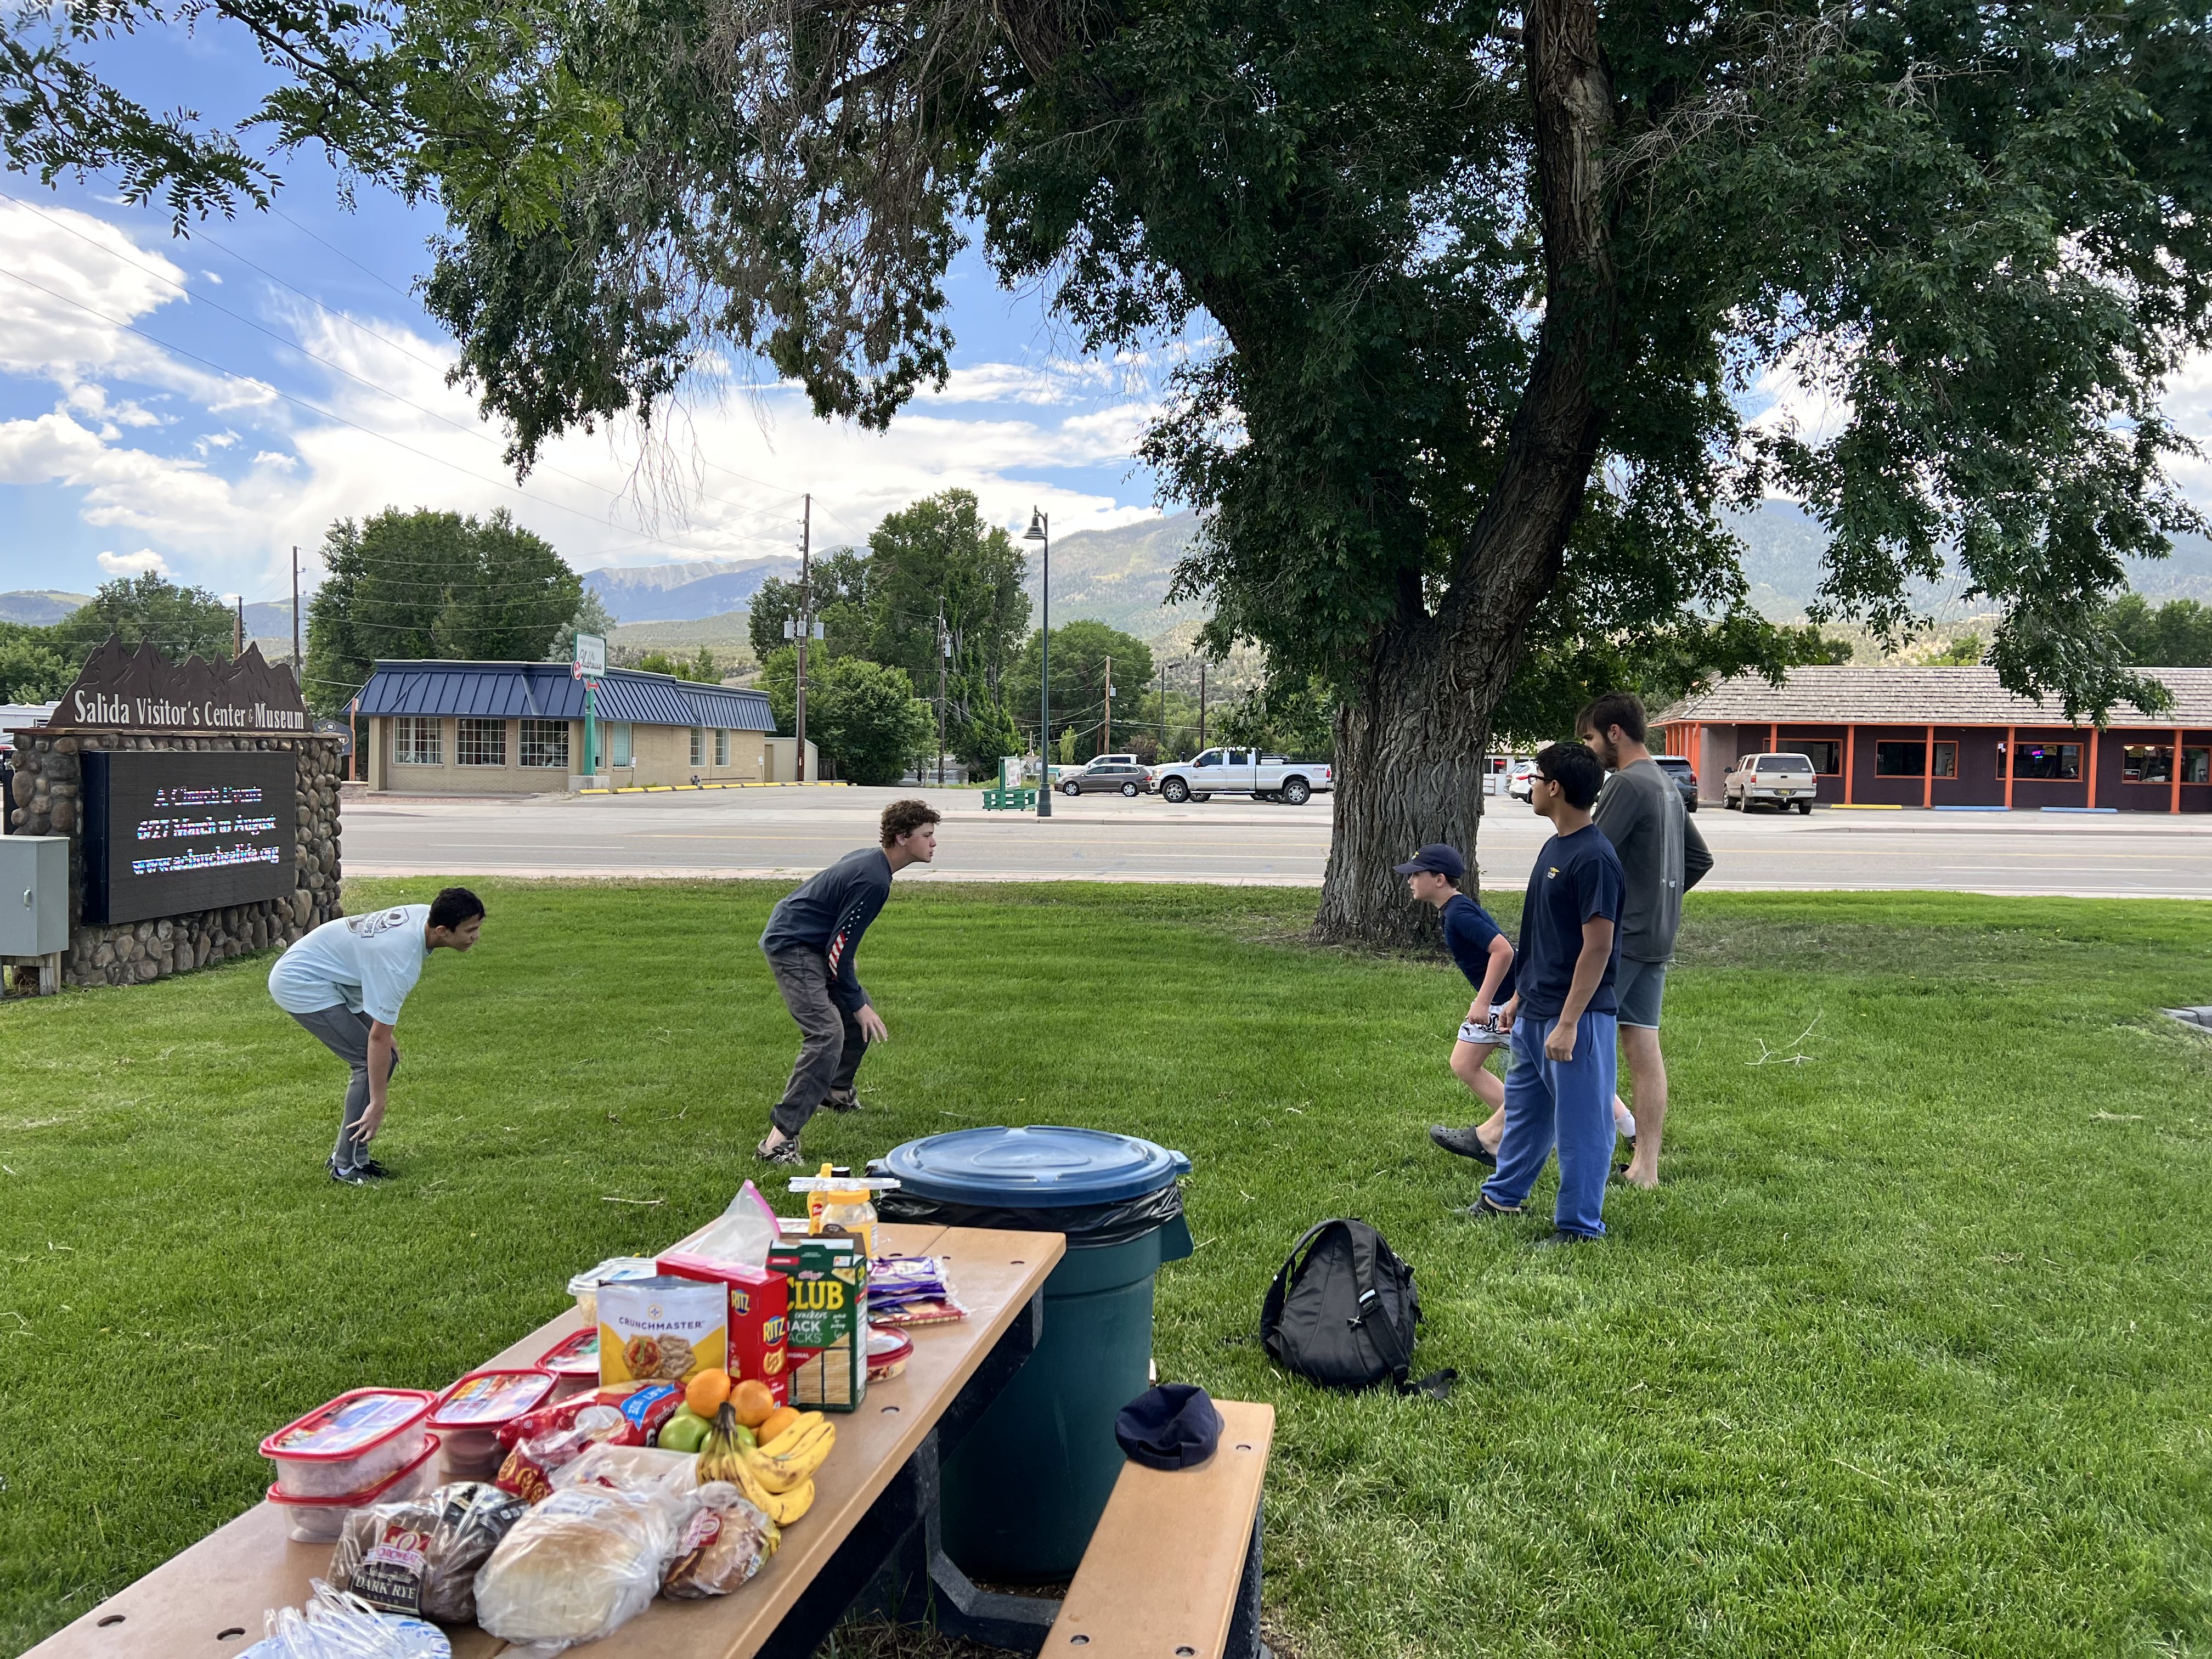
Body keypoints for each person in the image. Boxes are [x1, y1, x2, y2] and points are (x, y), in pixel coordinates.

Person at [1475, 742, 1624, 1244]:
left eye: (1536, 778)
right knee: (1525, 1115)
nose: (1532, 786)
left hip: (1575, 1020)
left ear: (1555, 788)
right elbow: (1543, 936)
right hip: (1536, 1010)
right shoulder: (1555, 846)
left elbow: (1598, 947)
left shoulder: (1595, 858)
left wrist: (1568, 1022)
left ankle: (1580, 1226)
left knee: (1583, 1127)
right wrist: (1519, 997)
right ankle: (1502, 1197)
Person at [756, 798, 940, 1165]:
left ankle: (836, 1093)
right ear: (902, 838)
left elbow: (840, 936)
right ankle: (777, 1142)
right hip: (793, 945)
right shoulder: (874, 879)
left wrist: (851, 986)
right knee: (827, 1034)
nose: (934, 843)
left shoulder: (872, 862)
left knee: (858, 1021)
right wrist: (856, 1001)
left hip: (813, 942)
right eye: (927, 835)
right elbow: (838, 954)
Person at [1578, 691, 1713, 1188]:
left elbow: (1588, 856)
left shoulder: (1627, 784)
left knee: (1567, 1034)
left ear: (1614, 732)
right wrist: (1659, 901)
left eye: (1590, 737)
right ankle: (1645, 1168)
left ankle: (1497, 1136)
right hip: (1656, 936)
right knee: (1642, 1045)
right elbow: (1699, 860)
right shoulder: (1666, 784)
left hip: (1623, 939)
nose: (1589, 748)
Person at [268, 887, 486, 1184]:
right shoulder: (400, 963)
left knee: (387, 1059)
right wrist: (378, 1104)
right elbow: (378, 1039)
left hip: (335, 975)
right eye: (470, 930)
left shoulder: (427, 915)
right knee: (364, 1061)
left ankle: (356, 1157)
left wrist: (382, 1041)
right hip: (301, 980)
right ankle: (344, 1166)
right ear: (442, 931)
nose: (476, 936)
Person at [1396, 844, 1517, 1153]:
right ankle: (1516, 1126)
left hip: (1513, 1003)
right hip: (1498, 1001)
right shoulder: (1454, 910)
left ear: (1439, 880)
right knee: (1464, 1063)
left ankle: (1628, 1127)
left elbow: (1503, 951)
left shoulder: (1459, 914)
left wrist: (1483, 1001)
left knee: (1564, 1074)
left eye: (1416, 875)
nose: (1410, 881)